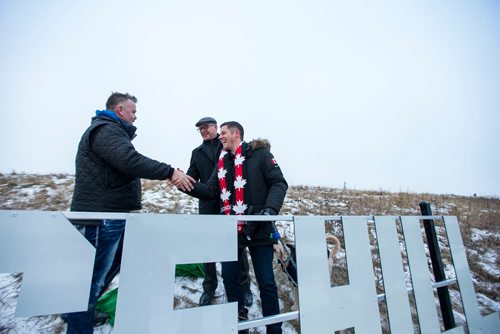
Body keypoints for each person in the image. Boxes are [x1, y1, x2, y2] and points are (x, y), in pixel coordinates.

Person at [64, 92, 194, 334]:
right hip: (101, 218)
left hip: (113, 215)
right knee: (90, 280)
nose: (136, 116)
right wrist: (169, 172)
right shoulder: (106, 130)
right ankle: (78, 322)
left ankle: (79, 311)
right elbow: (129, 160)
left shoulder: (109, 131)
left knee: (109, 268)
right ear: (120, 110)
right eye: (133, 111)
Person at [185, 121, 288, 334]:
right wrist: (186, 185)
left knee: (266, 282)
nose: (220, 137)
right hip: (230, 230)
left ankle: (274, 328)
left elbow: (279, 183)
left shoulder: (261, 155)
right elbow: (211, 190)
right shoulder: (222, 162)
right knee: (231, 280)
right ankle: (240, 323)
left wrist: (269, 210)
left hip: (259, 228)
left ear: (236, 133)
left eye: (223, 133)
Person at [187, 117, 253, 307]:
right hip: (208, 205)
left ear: (216, 127)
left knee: (237, 248)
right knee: (208, 249)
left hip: (231, 205)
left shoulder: (227, 144)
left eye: (205, 127)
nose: (203, 131)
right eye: (199, 129)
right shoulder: (196, 153)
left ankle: (244, 287)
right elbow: (192, 176)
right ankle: (209, 288)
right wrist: (184, 179)